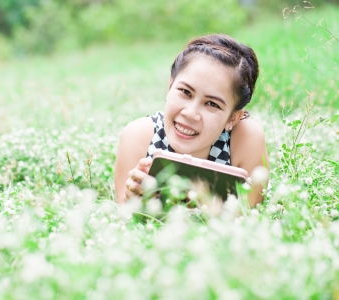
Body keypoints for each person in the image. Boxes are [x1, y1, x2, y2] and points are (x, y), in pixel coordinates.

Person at [114, 34, 269, 206]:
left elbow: (251, 214)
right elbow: (125, 216)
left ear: (232, 118)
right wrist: (133, 201)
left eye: (212, 104)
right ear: (170, 86)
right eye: (186, 92)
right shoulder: (139, 136)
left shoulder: (245, 138)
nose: (190, 113)